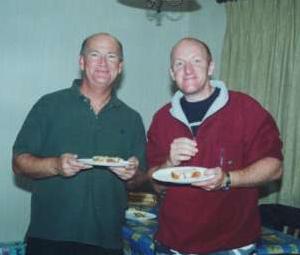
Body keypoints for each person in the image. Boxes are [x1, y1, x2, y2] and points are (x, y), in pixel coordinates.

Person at [12, 33, 147, 255]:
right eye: (95, 54)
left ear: (120, 66)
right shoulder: (49, 105)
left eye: (111, 56)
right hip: (49, 236)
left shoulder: (132, 119)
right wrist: (55, 165)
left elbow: (140, 180)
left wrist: (132, 174)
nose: (103, 63)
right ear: (82, 62)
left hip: (107, 240)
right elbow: (18, 163)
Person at [147, 37, 283, 255]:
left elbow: (275, 167)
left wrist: (228, 179)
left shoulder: (245, 108)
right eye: (179, 64)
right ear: (172, 73)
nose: (188, 70)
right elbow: (156, 184)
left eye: (196, 61)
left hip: (231, 244)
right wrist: (169, 163)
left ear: (211, 67)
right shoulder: (162, 118)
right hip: (172, 243)